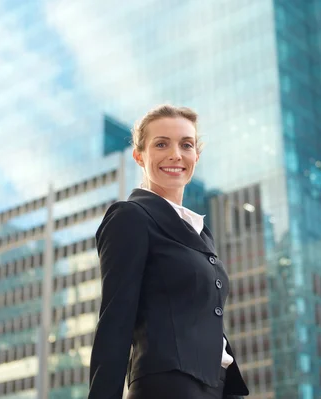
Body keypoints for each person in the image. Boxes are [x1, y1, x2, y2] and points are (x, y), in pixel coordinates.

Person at [88, 105, 249, 399]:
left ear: (196, 156)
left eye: (186, 144)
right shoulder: (130, 217)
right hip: (170, 388)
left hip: (219, 387)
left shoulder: (200, 230)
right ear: (139, 156)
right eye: (161, 144)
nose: (176, 154)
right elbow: (115, 321)